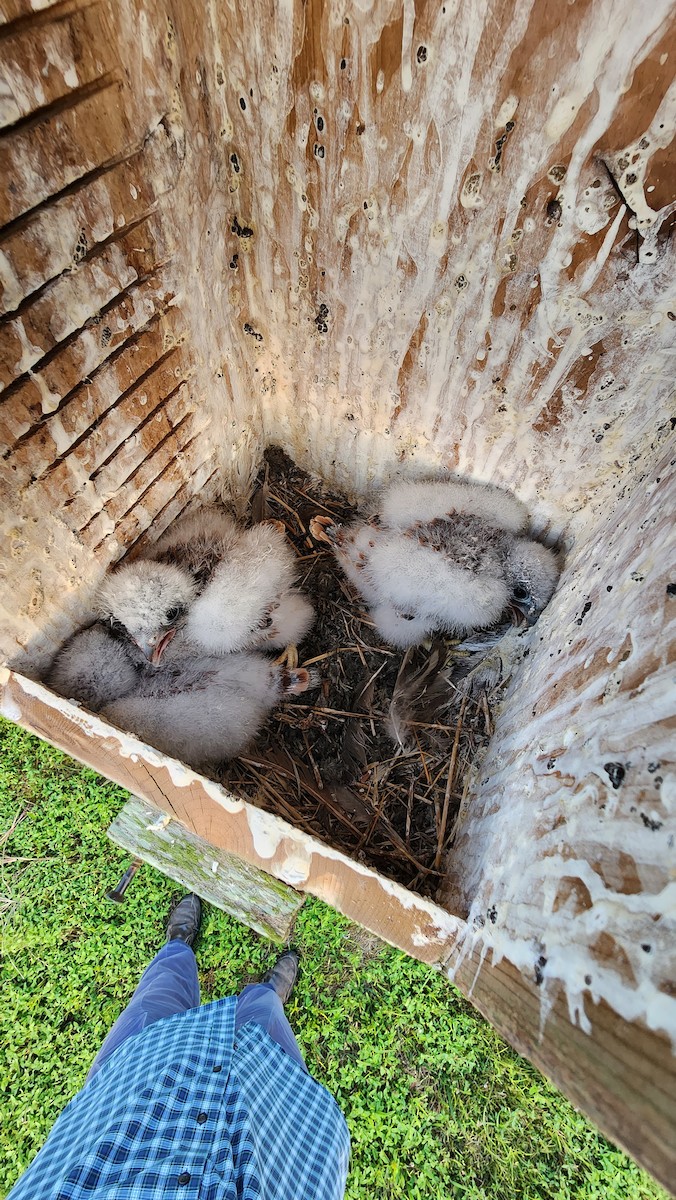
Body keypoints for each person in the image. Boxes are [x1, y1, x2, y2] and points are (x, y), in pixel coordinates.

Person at [8, 895, 350, 1199]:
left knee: (160, 991)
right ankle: (269, 995)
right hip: (264, 1116)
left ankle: (178, 943)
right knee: (265, 1022)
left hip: (132, 1082)